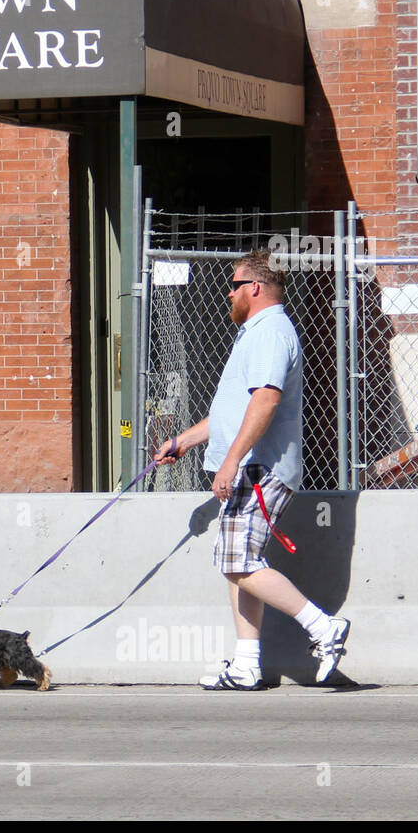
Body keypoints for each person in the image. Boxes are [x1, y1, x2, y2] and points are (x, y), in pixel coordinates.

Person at [153, 248, 350, 690]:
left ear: (254, 288)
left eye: (235, 284)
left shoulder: (270, 333)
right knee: (237, 561)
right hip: (251, 466)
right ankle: (246, 665)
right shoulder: (255, 334)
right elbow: (231, 411)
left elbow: (265, 401)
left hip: (261, 468)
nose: (229, 293)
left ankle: (323, 627)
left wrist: (231, 461)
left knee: (238, 561)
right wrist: (183, 441)